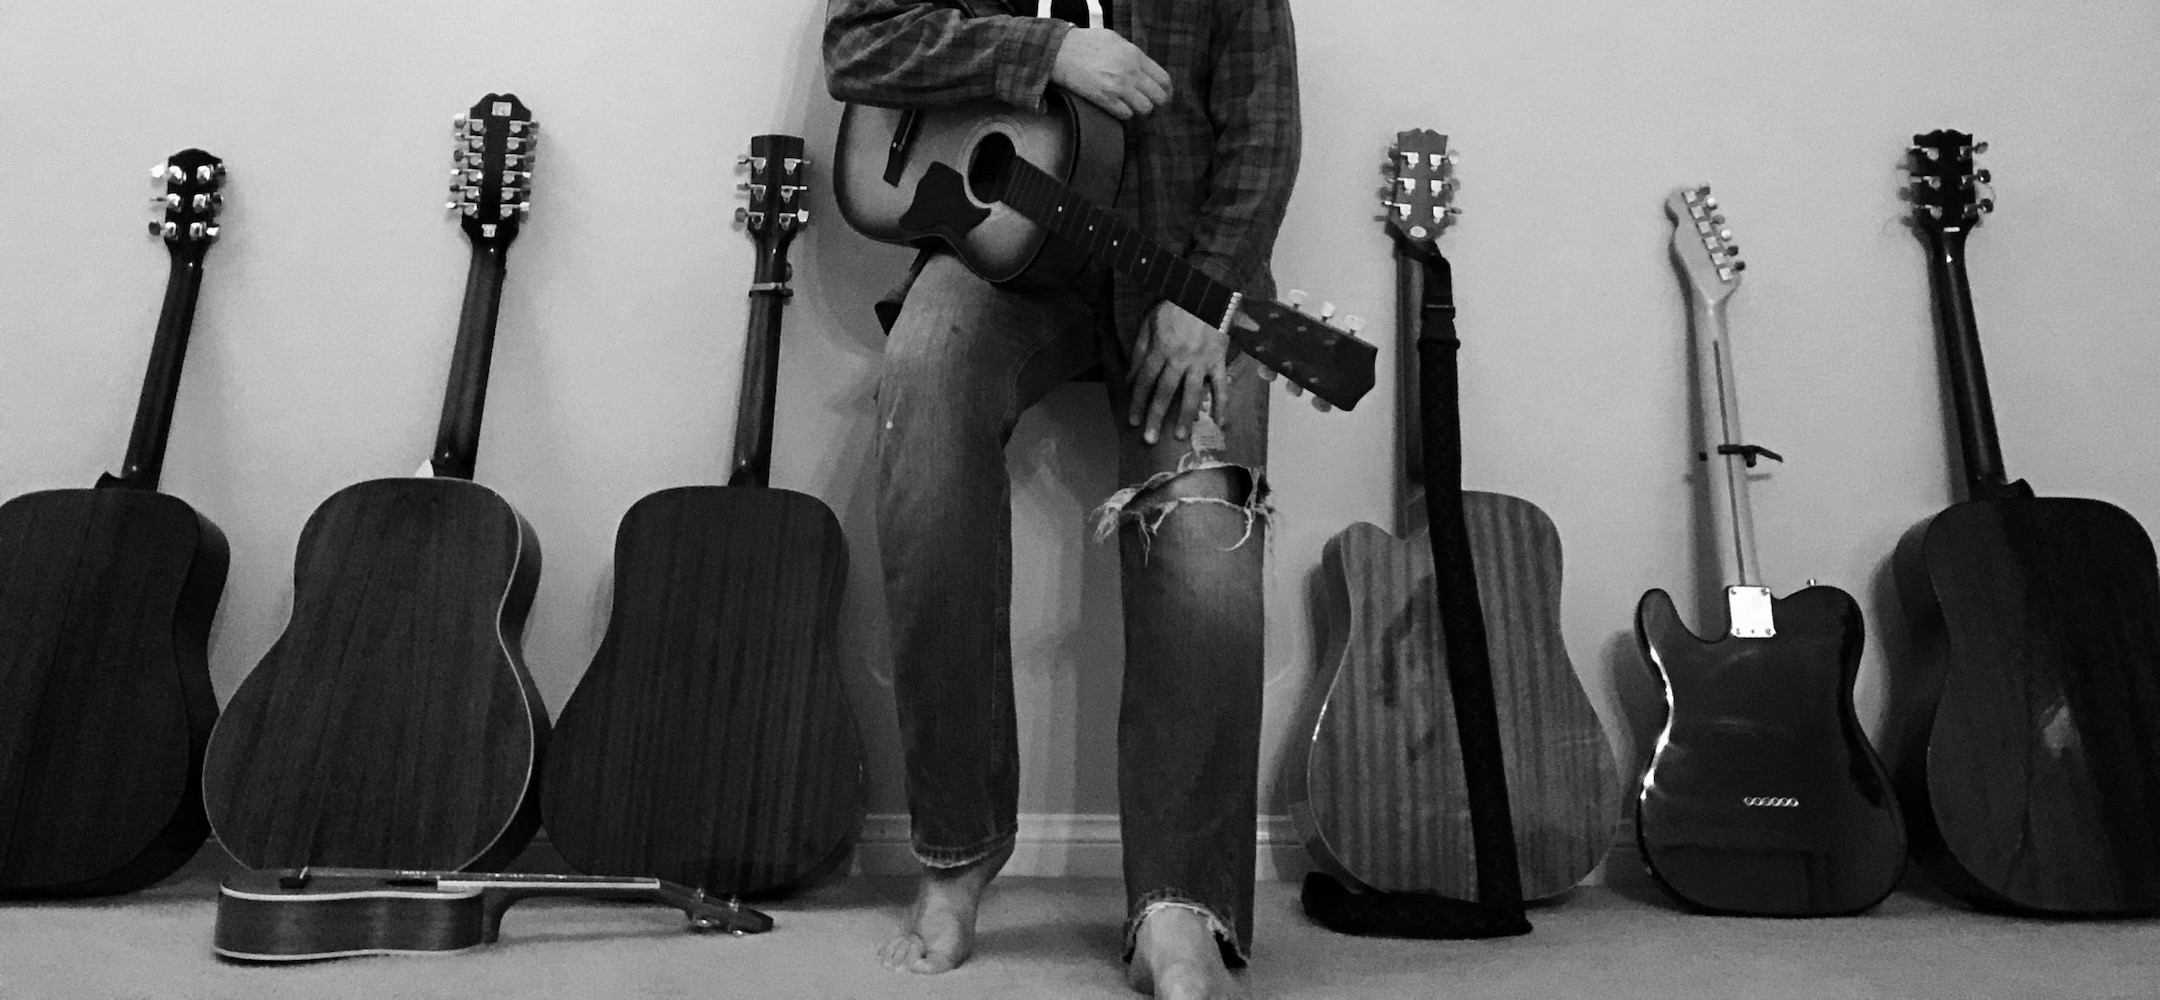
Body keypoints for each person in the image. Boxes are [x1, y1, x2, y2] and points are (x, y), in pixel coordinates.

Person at [824, 1, 1301, 997]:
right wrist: (1046, 51)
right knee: (922, 377)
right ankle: (956, 853)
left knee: (1202, 536)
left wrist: (1208, 292)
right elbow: (859, 43)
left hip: (1180, 273)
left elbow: (1265, 128)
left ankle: (1181, 903)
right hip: (998, 258)